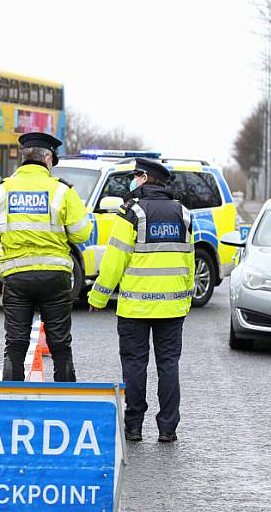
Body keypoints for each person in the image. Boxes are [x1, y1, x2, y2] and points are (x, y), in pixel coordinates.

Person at [87, 157, 194, 443]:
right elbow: (189, 261)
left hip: (136, 305)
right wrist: (185, 297)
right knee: (168, 364)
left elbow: (114, 259)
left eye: (136, 175)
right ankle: (168, 428)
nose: (133, 180)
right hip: (172, 306)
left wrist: (98, 296)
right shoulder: (183, 213)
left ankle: (133, 426)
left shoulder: (130, 212)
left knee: (135, 365)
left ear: (145, 178)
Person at [0, 132, 92, 382]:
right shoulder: (62, 191)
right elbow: (82, 234)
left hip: (17, 279)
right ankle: (67, 403)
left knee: (15, 343)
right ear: (48, 158)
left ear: (23, 158)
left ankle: (12, 402)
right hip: (56, 278)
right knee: (60, 344)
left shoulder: (1, 192)